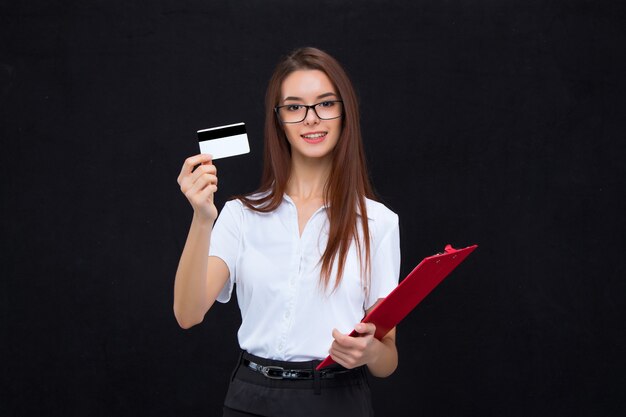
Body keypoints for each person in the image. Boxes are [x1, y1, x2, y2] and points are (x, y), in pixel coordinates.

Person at [174, 47, 401, 416]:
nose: (311, 119)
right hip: (250, 397)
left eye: (325, 103)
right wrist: (202, 218)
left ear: (345, 113)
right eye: (295, 107)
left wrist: (370, 351)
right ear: (278, 120)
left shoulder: (378, 223)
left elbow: (387, 359)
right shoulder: (240, 215)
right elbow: (188, 314)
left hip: (336, 400)